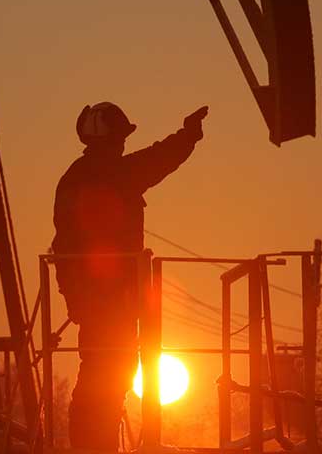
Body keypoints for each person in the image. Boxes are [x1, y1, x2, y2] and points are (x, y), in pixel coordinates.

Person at [50, 102, 208, 450]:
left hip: (109, 301)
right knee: (104, 376)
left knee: (107, 375)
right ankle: (94, 446)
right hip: (107, 301)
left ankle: (94, 445)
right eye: (120, 138)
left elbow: (156, 159)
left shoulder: (79, 178)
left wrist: (187, 136)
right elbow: (155, 160)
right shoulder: (112, 175)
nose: (123, 145)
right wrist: (188, 137)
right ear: (106, 141)